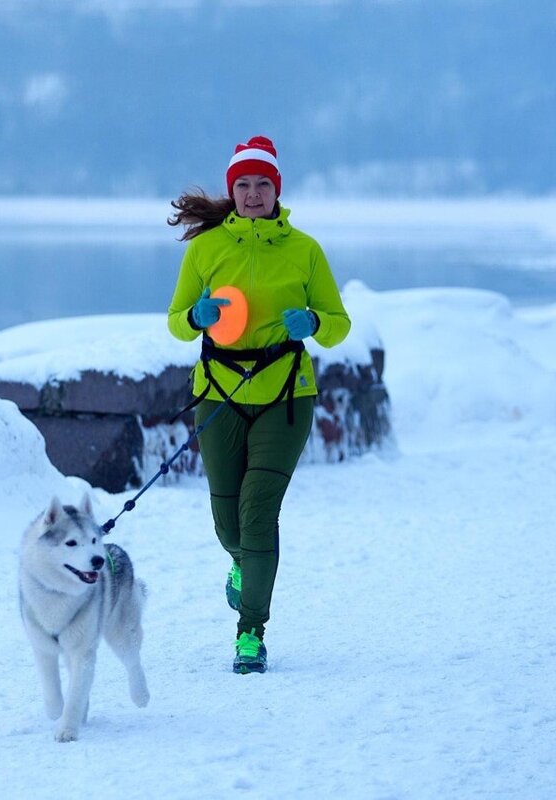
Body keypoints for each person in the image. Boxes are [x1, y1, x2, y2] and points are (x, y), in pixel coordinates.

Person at [166, 135, 350, 674]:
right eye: (243, 185)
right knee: (229, 522)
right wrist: (196, 318)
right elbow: (176, 321)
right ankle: (243, 567)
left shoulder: (305, 250)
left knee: (258, 510)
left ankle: (251, 631)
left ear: (276, 191)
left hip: (286, 395)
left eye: (261, 185)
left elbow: (339, 325)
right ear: (233, 190)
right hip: (219, 394)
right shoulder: (205, 249)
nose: (251, 194)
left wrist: (313, 323)